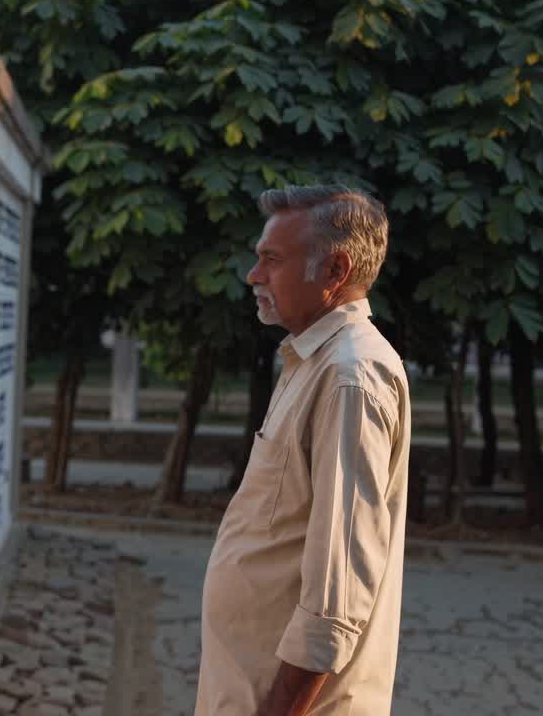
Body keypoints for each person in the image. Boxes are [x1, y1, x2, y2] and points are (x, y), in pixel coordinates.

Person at [195, 186, 411, 716]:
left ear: (334, 270)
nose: (254, 275)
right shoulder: (313, 361)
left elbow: (337, 595)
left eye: (271, 260)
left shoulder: (349, 377)